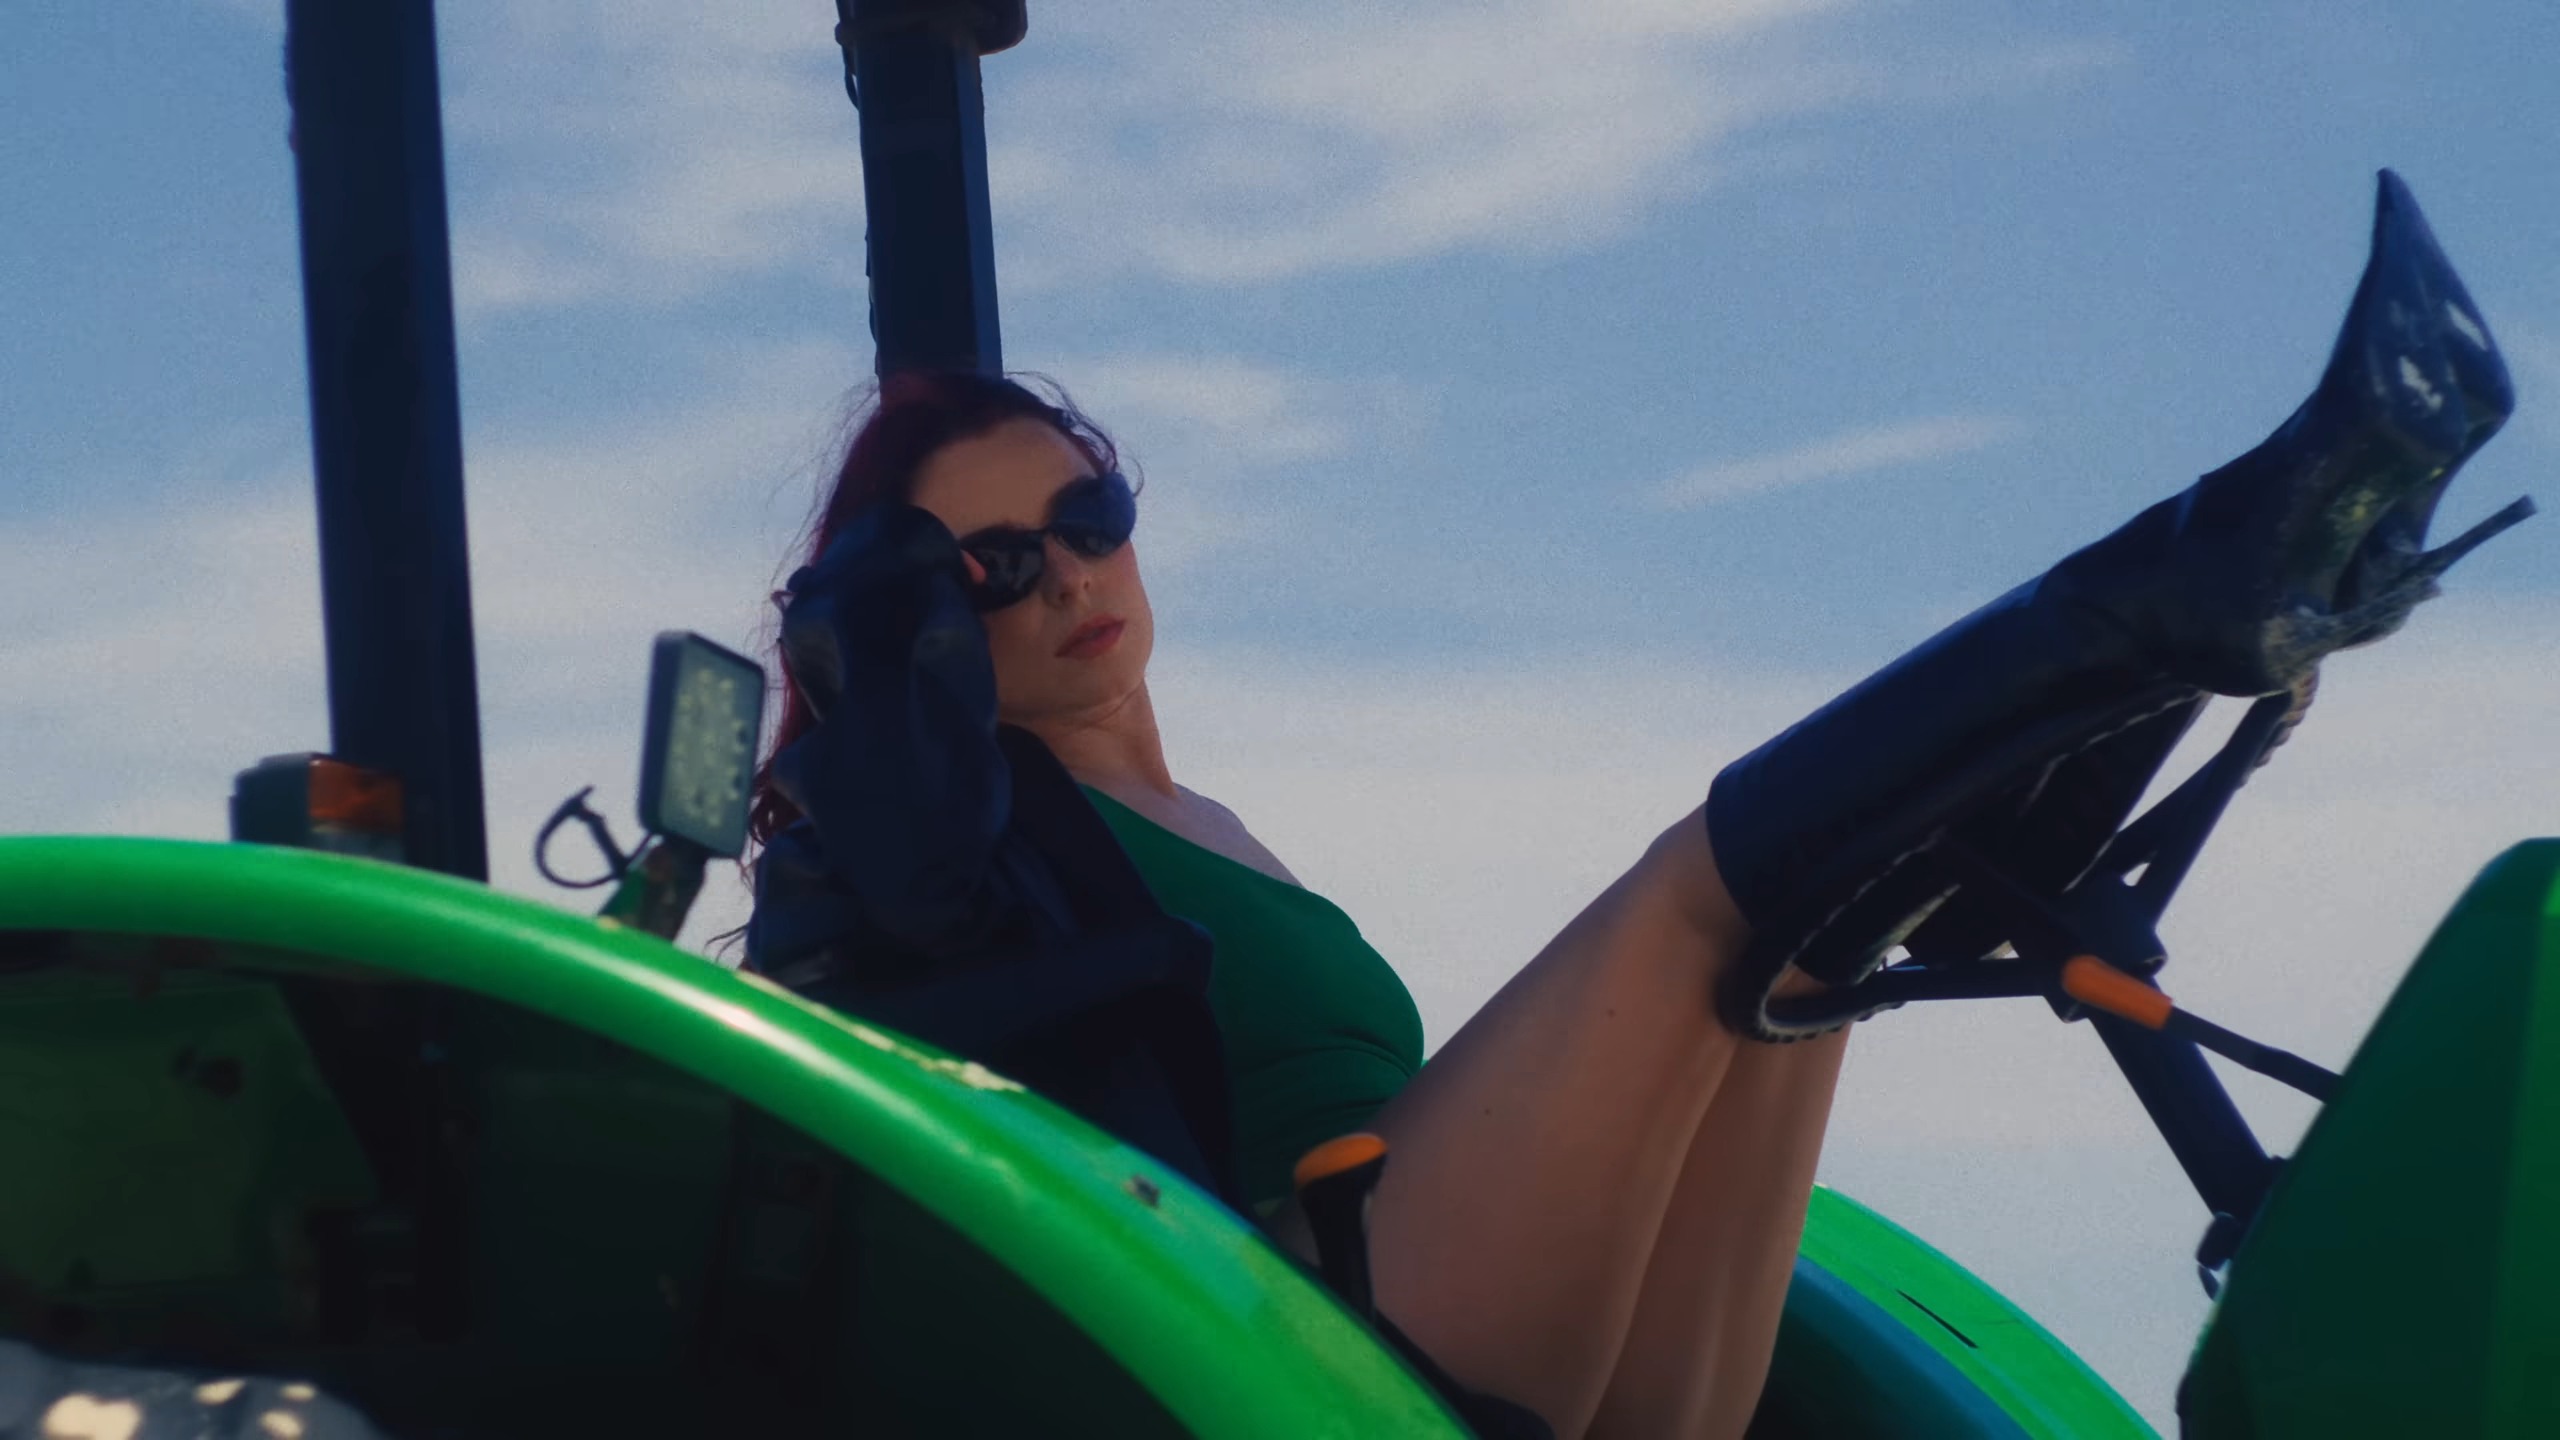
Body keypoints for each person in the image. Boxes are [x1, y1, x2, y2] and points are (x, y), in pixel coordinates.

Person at [735, 173, 2520, 1439]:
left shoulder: (1202, 824)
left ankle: (2180, 653)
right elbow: (885, 885)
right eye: (989, 567)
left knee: (1811, 949)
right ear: (924, 629)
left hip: (1565, 1368)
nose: (1063, 575)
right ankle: (2190, 572)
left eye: (1088, 518)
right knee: (1695, 892)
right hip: (1299, 1331)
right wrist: (874, 638)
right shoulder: (977, 840)